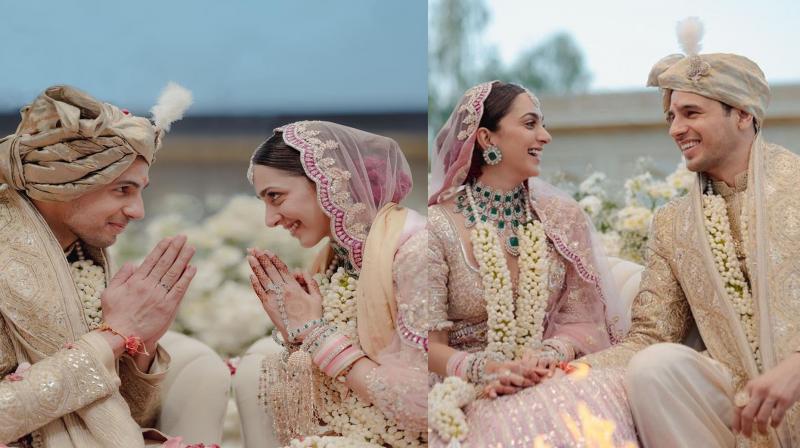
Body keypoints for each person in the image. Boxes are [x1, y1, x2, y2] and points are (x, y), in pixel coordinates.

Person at [581, 18, 800, 447]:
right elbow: (650, 335)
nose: (675, 129)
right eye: (671, 116)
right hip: (739, 404)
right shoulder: (673, 222)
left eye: (691, 113)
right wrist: (572, 370)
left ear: (742, 114)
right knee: (654, 367)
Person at [0, 85, 229, 447]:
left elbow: (129, 416)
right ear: (66, 181)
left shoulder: (80, 259)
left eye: (140, 191)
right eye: (122, 190)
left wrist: (140, 345)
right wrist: (114, 335)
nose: (138, 211)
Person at [427, 81, 637, 446]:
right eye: (530, 124)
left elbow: (581, 318)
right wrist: (486, 370)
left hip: (548, 373)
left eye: (543, 124)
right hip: (466, 386)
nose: (545, 136)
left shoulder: (561, 217)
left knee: (584, 400)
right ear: (486, 138)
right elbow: (428, 344)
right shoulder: (437, 226)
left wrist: (544, 356)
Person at [233, 121, 427, 447]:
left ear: (326, 182)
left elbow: (422, 403)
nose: (270, 219)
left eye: (276, 197)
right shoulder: (337, 256)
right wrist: (296, 333)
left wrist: (315, 333)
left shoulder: (414, 252)